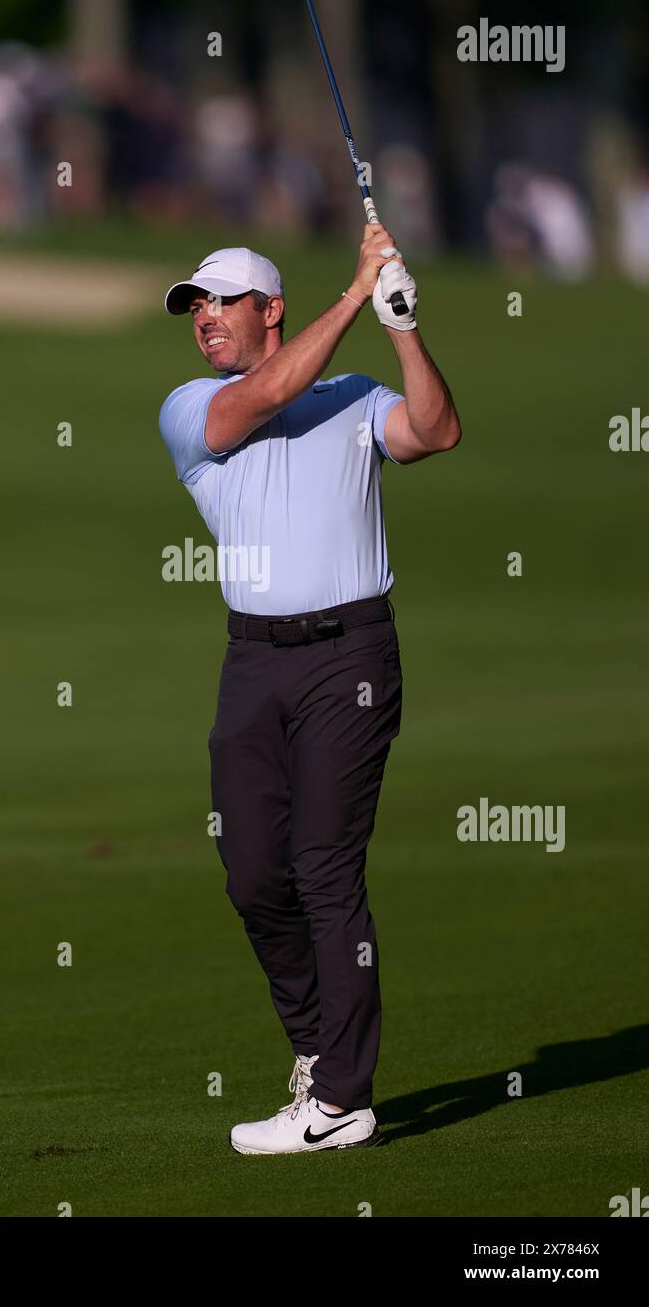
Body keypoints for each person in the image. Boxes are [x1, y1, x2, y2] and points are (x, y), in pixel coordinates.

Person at [159, 226, 461, 1154]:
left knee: (326, 867)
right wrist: (354, 290)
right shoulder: (193, 407)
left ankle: (342, 1099)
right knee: (254, 875)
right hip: (253, 663)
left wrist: (400, 325)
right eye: (195, 307)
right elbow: (269, 393)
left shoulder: (353, 400)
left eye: (221, 301)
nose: (204, 318)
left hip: (350, 659)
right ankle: (314, 1055)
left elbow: (436, 430)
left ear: (269, 309)